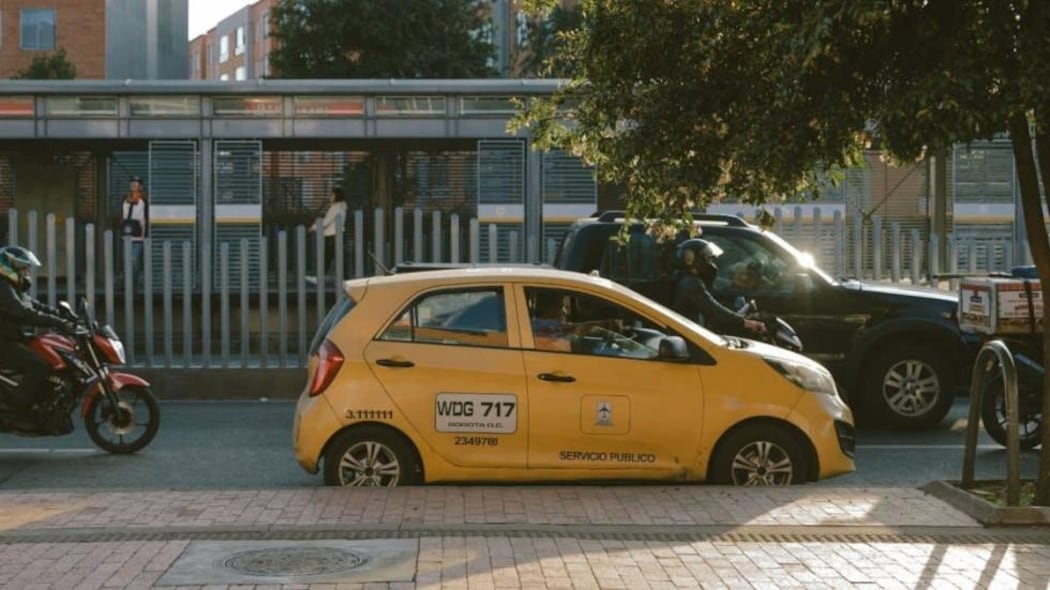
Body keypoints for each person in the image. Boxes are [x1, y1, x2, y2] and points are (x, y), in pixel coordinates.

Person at [0, 246, 75, 431]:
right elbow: (22, 312)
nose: (27, 272)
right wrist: (58, 323)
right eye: (24, 267)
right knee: (39, 364)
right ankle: (18, 414)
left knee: (46, 353)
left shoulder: (12, 287)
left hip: (13, 338)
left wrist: (64, 316)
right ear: (10, 266)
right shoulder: (2, 286)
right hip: (4, 342)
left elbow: (34, 305)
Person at [671, 238, 766, 336]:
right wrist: (746, 322)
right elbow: (713, 310)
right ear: (692, 259)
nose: (712, 265)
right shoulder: (692, 284)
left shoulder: (684, 278)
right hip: (688, 336)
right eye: (709, 260)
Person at [309, 186, 348, 277]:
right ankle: (345, 278)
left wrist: (313, 227)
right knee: (338, 258)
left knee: (328, 258)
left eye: (332, 194)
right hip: (338, 234)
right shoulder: (341, 206)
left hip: (332, 235)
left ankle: (320, 277)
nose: (330, 196)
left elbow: (326, 222)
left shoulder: (335, 208)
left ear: (337, 196)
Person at [119, 175, 149, 286]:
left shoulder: (144, 200)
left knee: (135, 261)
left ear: (140, 186)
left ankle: (133, 285)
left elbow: (146, 217)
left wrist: (145, 235)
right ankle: (125, 284)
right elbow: (122, 215)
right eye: (132, 183)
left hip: (138, 236)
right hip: (126, 235)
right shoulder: (125, 199)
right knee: (126, 262)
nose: (133, 185)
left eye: (136, 183)